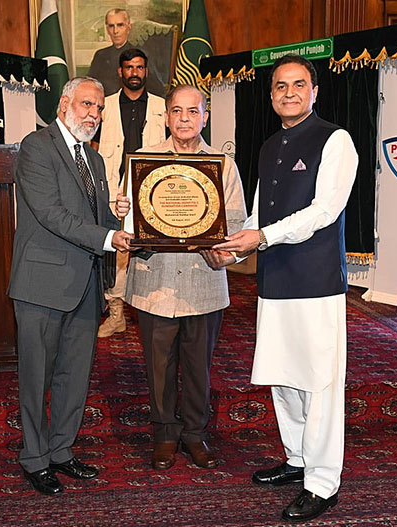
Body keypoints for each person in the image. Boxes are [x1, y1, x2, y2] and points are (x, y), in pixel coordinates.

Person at [207, 54, 358, 523]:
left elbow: (324, 211)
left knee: (320, 382)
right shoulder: (270, 144)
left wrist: (262, 238)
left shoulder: (336, 139)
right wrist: (232, 251)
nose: (288, 93)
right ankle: (297, 460)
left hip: (315, 282)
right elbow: (258, 217)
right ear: (270, 95)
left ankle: (323, 482)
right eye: (279, 86)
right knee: (285, 377)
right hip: (275, 281)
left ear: (315, 91)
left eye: (298, 84)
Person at [8, 76, 132, 495]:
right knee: (36, 377)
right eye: (86, 105)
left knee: (73, 377)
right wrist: (108, 236)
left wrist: (123, 222)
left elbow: (97, 224)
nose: (93, 114)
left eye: (99, 108)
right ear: (64, 104)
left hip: (86, 284)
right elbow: (51, 214)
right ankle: (34, 458)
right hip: (41, 284)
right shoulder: (36, 147)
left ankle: (61, 451)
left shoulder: (94, 160)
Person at [123, 84, 247, 470]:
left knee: (198, 367)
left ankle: (195, 434)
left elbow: (238, 223)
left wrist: (220, 253)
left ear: (205, 117)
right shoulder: (142, 162)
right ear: (166, 117)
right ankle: (164, 433)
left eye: (193, 112)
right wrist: (131, 230)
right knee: (158, 366)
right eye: (176, 111)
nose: (184, 119)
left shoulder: (222, 164)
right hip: (155, 282)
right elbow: (129, 220)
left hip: (204, 283)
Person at [94, 48, 166, 338]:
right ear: (120, 72)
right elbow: (94, 148)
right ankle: (116, 314)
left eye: (139, 67)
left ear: (146, 71)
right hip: (117, 187)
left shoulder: (163, 106)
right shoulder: (106, 106)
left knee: (155, 245)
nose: (134, 72)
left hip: (155, 186)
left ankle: (155, 309)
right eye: (128, 68)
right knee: (119, 250)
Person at [88, 8, 165, 97]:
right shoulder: (100, 56)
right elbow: (90, 87)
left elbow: (157, 90)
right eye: (111, 26)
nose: (115, 31)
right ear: (107, 29)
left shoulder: (141, 55)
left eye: (120, 25)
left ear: (128, 27)